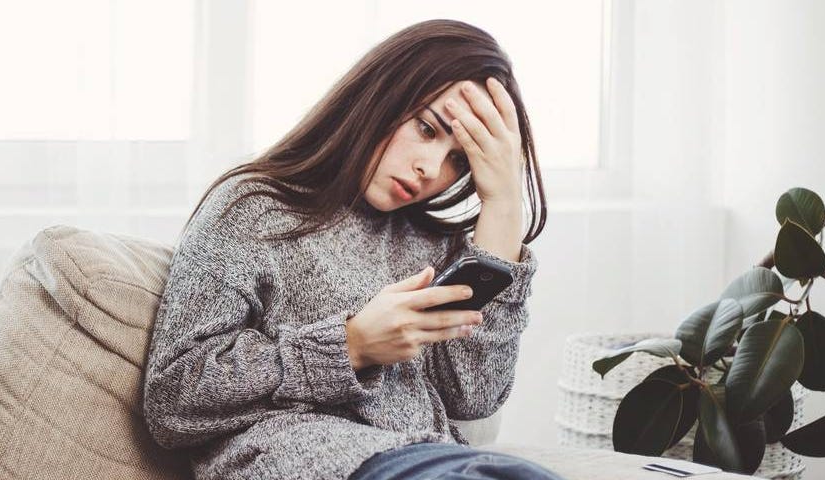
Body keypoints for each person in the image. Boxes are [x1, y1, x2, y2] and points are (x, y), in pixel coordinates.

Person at [140, 18, 561, 480]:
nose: (430, 167)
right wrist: (352, 345)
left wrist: (501, 207)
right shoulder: (252, 209)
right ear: (380, 96)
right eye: (426, 129)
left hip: (429, 458)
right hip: (305, 459)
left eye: (459, 160)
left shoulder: (435, 244)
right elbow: (173, 397)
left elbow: (472, 395)